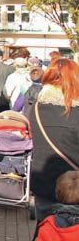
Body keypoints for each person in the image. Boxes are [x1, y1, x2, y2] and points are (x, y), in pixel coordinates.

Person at [29, 58, 79, 223]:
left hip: (43, 183)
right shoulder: (75, 113)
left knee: (46, 231)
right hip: (74, 188)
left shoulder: (35, 108)